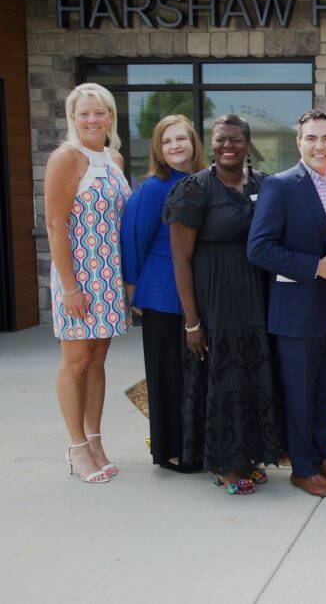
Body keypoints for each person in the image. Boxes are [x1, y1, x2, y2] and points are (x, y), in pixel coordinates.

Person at [165, 114, 283, 495]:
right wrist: (192, 322)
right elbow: (180, 259)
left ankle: (247, 455)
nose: (227, 146)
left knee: (253, 375)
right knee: (224, 379)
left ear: (247, 144)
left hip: (258, 297)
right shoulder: (194, 189)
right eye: (220, 140)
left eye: (235, 139)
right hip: (216, 300)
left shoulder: (265, 185)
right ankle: (224, 465)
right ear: (211, 144)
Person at [248, 109, 326, 498]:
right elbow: (259, 248)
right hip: (296, 309)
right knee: (299, 391)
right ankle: (302, 467)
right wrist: (314, 268)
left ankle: (322, 455)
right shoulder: (281, 186)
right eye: (311, 138)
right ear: (299, 143)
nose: (319, 145)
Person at [45, 83, 132, 484]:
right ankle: (77, 447)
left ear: (111, 116)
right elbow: (54, 223)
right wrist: (69, 287)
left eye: (100, 113)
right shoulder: (66, 158)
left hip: (108, 275)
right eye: (84, 114)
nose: (93, 120)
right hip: (79, 274)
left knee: (97, 361)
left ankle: (95, 440)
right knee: (75, 362)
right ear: (73, 118)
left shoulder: (113, 158)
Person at [121, 115, 206, 473]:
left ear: (193, 143)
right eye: (167, 141)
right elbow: (133, 237)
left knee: (192, 377)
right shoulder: (156, 188)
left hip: (196, 295)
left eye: (181, 139)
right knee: (165, 375)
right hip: (160, 296)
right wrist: (133, 290)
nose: (175, 146)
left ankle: (194, 444)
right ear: (158, 147)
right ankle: (169, 451)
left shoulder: (203, 182)